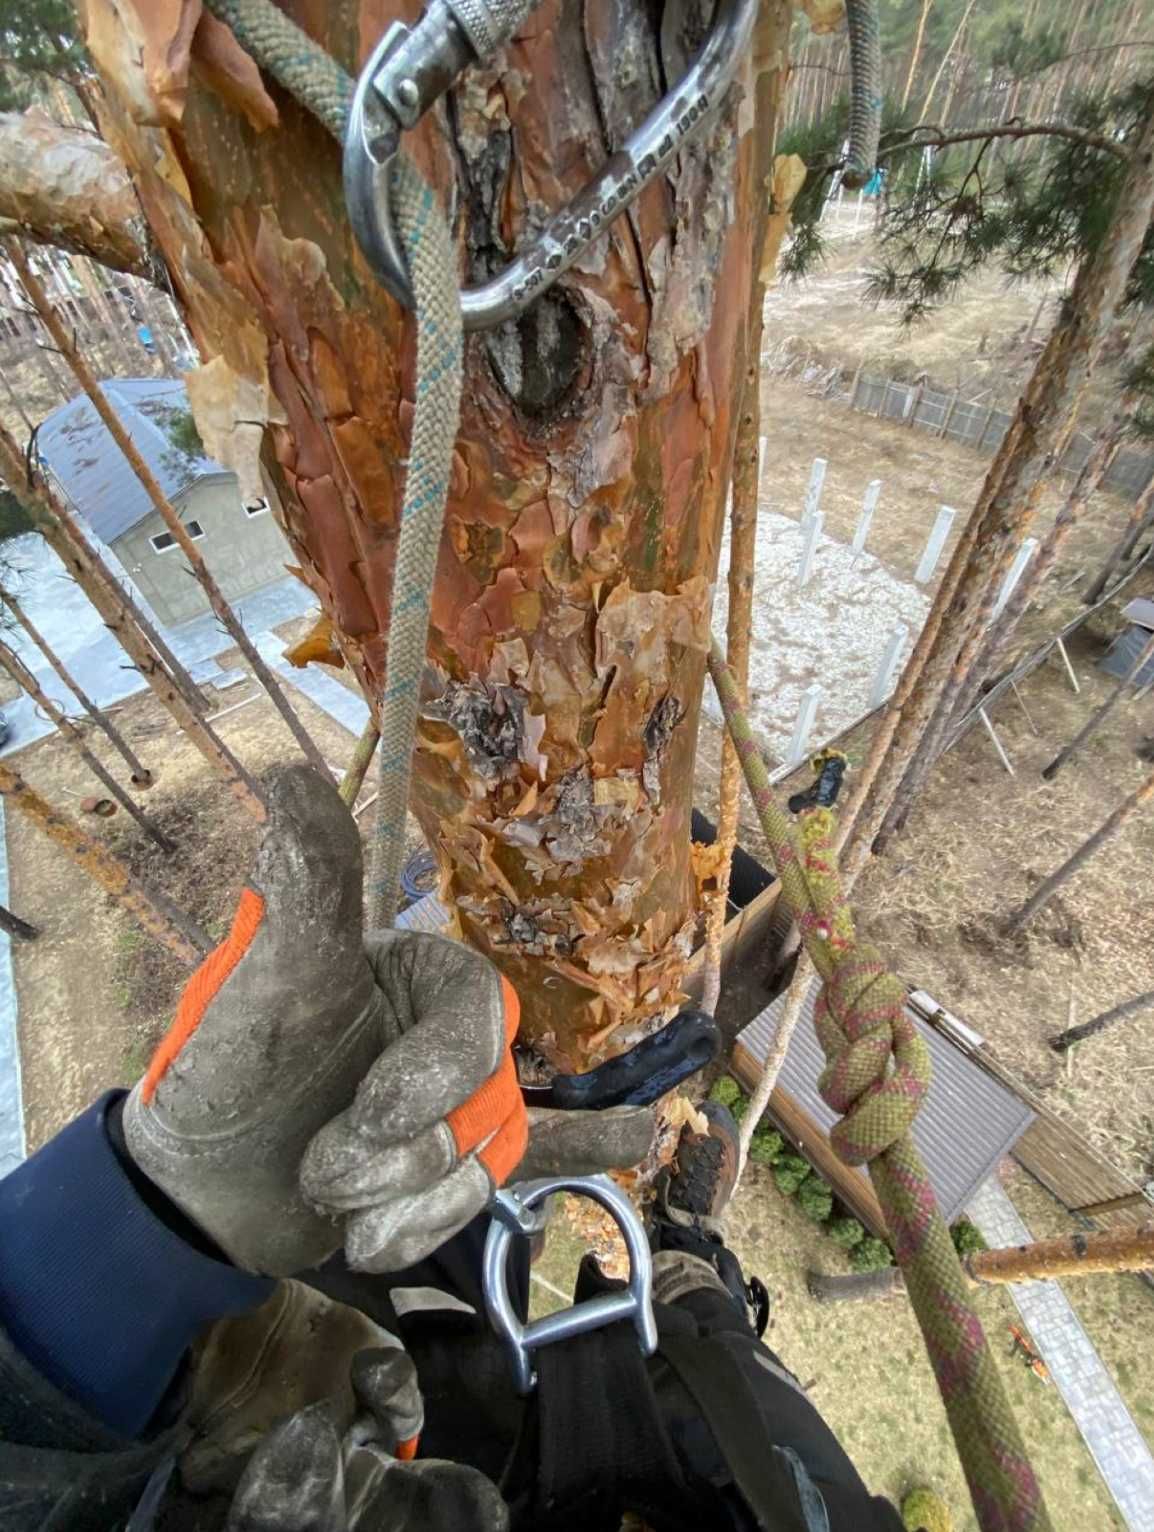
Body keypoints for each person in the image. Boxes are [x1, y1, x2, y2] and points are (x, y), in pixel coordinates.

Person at [0, 766, 903, 1531]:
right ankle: (687, 1262)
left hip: (379, 1405)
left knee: (413, 1247)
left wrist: (135, 1239)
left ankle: (675, 1265)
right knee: (661, 1311)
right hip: (674, 1444)